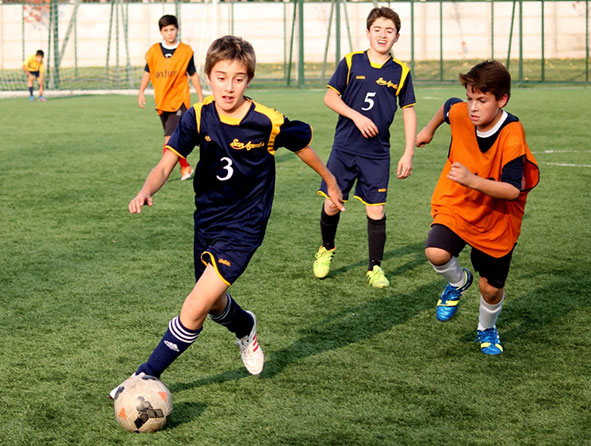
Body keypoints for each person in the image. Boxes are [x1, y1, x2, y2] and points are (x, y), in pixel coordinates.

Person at [110, 35, 343, 396]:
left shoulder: (267, 121)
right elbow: (165, 164)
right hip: (206, 221)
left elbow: (303, 147)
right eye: (221, 77)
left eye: (237, 78)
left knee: (195, 305)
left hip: (245, 227)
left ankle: (144, 376)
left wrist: (330, 180)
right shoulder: (197, 116)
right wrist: (146, 190)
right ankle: (244, 325)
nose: (229, 87)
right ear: (208, 75)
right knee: (214, 302)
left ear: (248, 80)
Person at [415, 60, 539, 355]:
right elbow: (448, 107)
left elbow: (510, 190)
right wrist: (428, 130)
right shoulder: (462, 113)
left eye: (482, 100)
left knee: (491, 289)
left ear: (502, 100)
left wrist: (472, 180)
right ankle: (458, 282)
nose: (472, 106)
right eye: (470, 98)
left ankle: (486, 329)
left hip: (497, 217)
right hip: (458, 203)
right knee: (436, 251)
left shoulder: (512, 132)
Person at [312, 6, 416, 288]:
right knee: (333, 204)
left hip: (377, 154)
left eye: (389, 31)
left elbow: (408, 111)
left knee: (377, 211)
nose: (383, 35)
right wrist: (356, 116)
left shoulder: (401, 72)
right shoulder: (351, 62)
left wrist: (408, 152)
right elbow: (330, 98)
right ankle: (327, 248)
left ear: (397, 37)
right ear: (368, 32)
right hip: (345, 148)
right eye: (378, 29)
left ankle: (375, 268)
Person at [138, 14, 204, 181]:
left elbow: (193, 74)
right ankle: (185, 167)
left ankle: (162, 173)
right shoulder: (153, 51)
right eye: (166, 30)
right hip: (162, 102)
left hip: (179, 102)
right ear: (161, 31)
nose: (169, 33)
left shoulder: (185, 51)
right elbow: (148, 72)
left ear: (177, 30)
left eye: (172, 29)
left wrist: (200, 96)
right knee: (175, 139)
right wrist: (141, 92)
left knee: (169, 140)